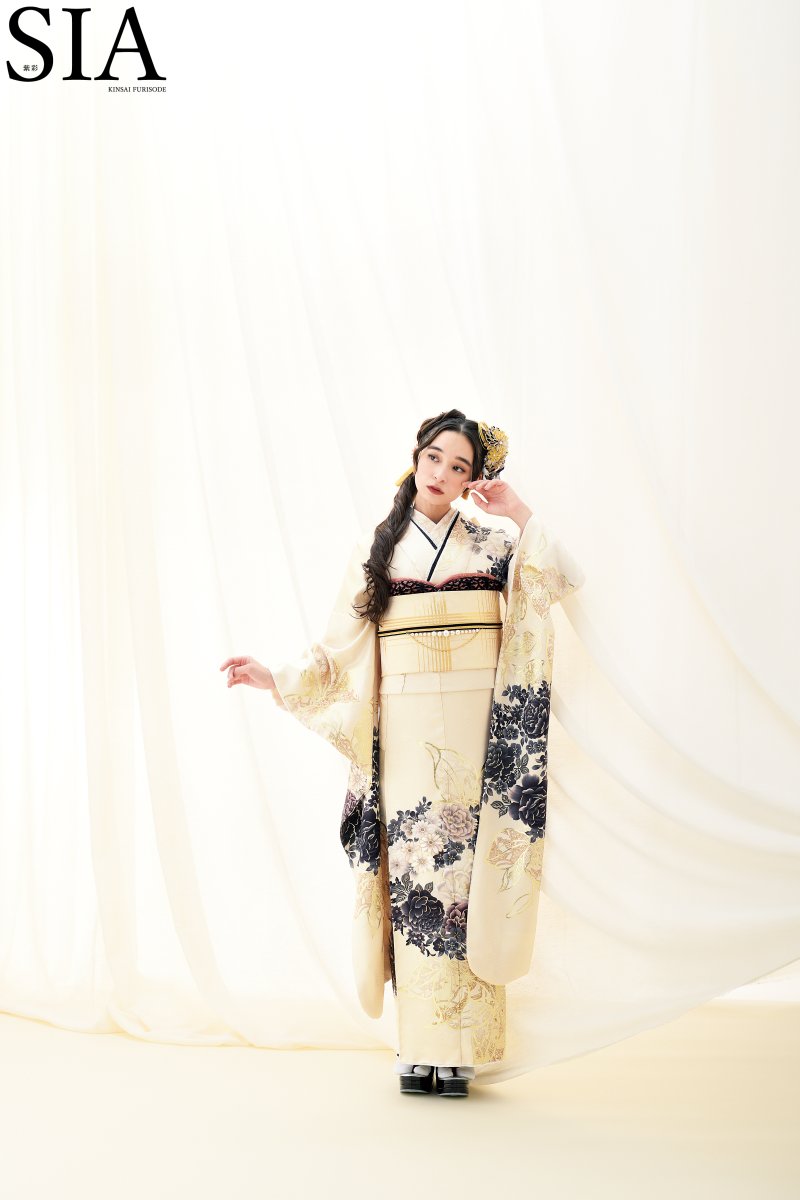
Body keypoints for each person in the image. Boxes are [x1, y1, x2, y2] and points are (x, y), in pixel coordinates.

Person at [220, 409, 585, 1098]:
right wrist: (276, 678)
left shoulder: (495, 541)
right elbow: (339, 652)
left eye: (460, 466)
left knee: (470, 875)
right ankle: (418, 1046)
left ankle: (464, 1049)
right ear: (416, 459)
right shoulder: (381, 547)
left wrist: (517, 509)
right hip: (409, 736)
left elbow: (561, 576)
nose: (443, 473)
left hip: (478, 728)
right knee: (416, 873)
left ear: (475, 479)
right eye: (434, 458)